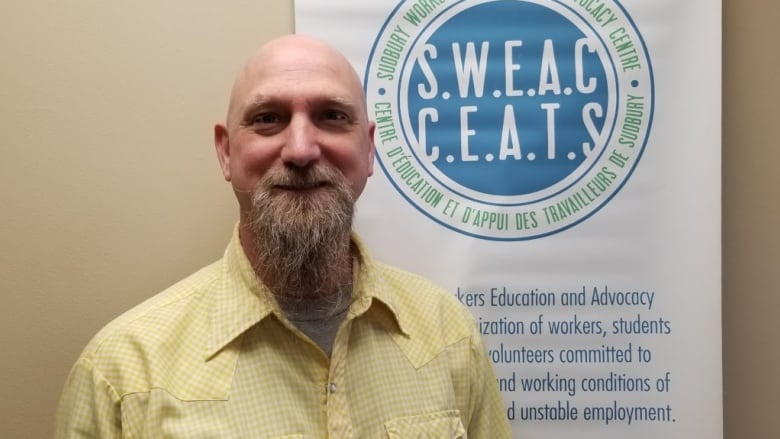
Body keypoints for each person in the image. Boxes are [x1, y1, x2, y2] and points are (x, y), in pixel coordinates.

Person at [54, 34, 512, 438]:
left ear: (369, 149)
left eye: (332, 116)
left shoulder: (449, 334)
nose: (300, 149)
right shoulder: (122, 374)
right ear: (226, 151)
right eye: (268, 118)